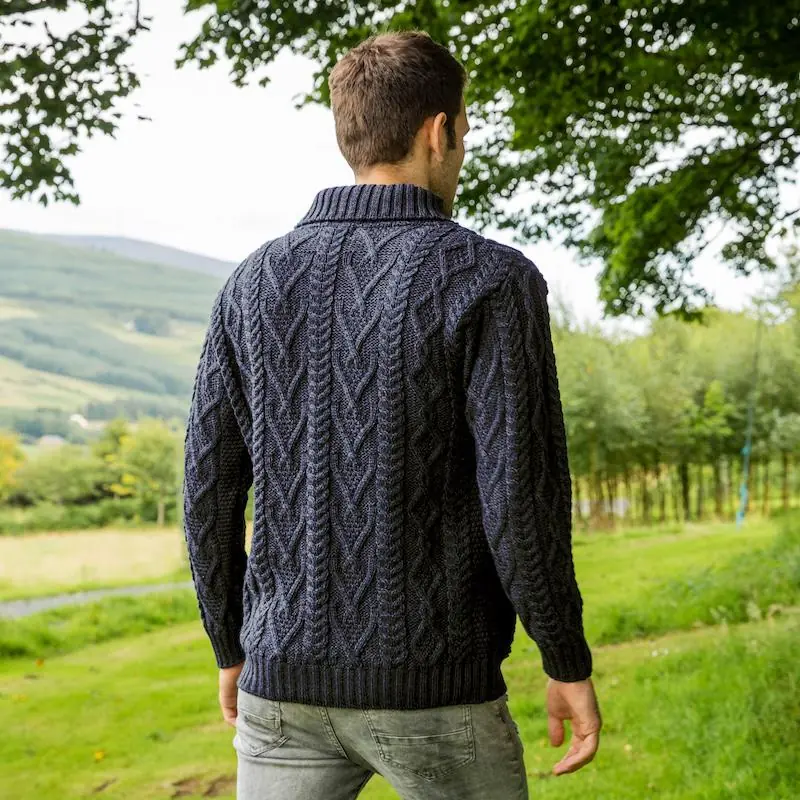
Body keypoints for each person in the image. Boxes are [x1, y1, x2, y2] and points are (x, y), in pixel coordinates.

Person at [183, 29, 601, 800]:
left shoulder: (251, 281)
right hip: (437, 689)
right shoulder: (491, 277)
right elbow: (520, 496)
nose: (462, 148)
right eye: (464, 130)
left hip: (281, 687)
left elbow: (208, 490)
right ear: (439, 131)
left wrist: (229, 643)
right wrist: (564, 657)